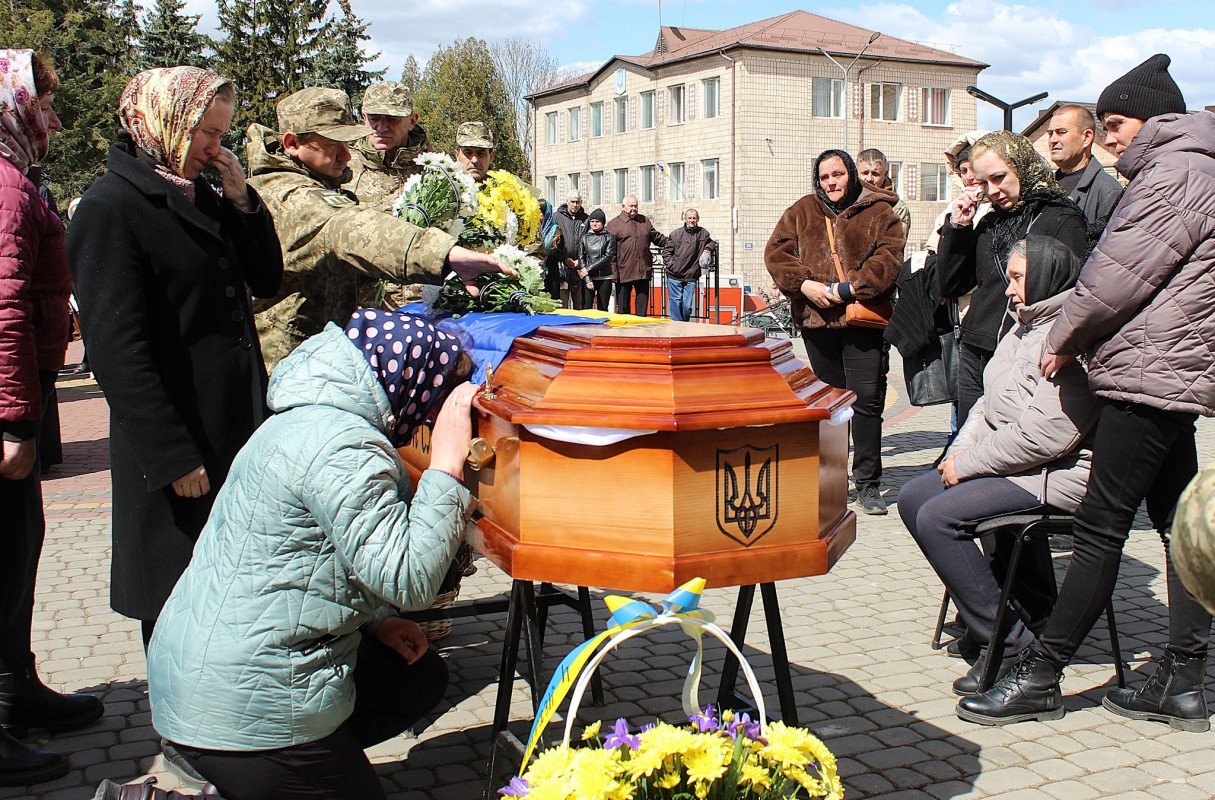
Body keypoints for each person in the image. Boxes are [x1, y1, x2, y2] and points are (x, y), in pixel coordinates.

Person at [959, 54, 1215, 733]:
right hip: (1166, 371)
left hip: (1146, 375)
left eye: (1116, 123)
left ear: (1158, 118)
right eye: (1102, 125)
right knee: (1175, 525)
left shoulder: (1175, 171)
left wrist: (1060, 336)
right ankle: (1184, 678)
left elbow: (1115, 277)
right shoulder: (1190, 167)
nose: (1108, 139)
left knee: (1101, 527)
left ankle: (1041, 675)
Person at [146, 311, 478, 800]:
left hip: (203, 675)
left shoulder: (305, 420)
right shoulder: (345, 447)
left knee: (414, 678)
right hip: (244, 699)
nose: (426, 421)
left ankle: (269, 781)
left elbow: (300, 566)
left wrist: (374, 624)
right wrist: (447, 466)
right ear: (408, 384)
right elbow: (411, 578)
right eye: (432, 403)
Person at [900, 236, 1099, 695]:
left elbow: (1047, 436)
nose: (1007, 289)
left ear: (1047, 276)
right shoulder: (1019, 327)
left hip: (1056, 475)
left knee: (938, 517)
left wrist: (969, 465)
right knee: (913, 497)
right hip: (1010, 463)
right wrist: (957, 452)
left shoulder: (1070, 336)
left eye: (1017, 278)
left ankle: (1010, 644)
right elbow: (986, 405)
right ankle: (994, 615)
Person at [0, 47, 103, 787]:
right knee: (3, 560)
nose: (52, 116)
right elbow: (1, 304)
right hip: (8, 406)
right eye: (37, 102)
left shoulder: (16, 178)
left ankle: (19, 692)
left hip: (26, 391)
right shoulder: (3, 188)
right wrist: (10, 422)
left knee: (19, 553)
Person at [246, 88, 508, 372]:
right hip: (292, 363)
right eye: (335, 145)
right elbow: (349, 228)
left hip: (343, 347)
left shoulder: (434, 172)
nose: (347, 156)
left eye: (349, 144)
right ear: (292, 143)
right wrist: (445, 255)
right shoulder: (290, 196)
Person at [765, 149, 904, 515]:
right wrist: (804, 285)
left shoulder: (879, 211)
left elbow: (889, 258)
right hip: (817, 323)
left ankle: (869, 484)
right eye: (825, 177)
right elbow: (777, 255)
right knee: (831, 403)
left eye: (838, 174)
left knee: (866, 402)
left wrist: (851, 288)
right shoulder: (802, 210)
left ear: (851, 175)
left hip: (862, 320)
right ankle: (832, 479)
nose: (832, 182)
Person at [936, 131, 1088, 429]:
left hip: (1024, 354)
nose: (992, 191)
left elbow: (1070, 295)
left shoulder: (1061, 218)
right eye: (983, 183)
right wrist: (959, 229)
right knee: (969, 436)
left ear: (1021, 165)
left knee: (1006, 442)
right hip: (976, 351)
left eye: (999, 177)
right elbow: (953, 285)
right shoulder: (992, 220)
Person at [344, 81, 429, 209]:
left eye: (392, 119)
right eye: (374, 118)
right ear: (364, 118)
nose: (382, 127)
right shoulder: (343, 164)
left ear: (412, 121)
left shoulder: (431, 171)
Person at [1046, 104, 1123, 226]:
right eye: (1050, 134)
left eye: (1061, 132)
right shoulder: (1044, 187)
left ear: (1086, 137)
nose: (1053, 140)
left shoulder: (1108, 192)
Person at [926, 130, 991, 252]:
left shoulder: (1001, 204)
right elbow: (934, 250)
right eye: (964, 171)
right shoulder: (955, 206)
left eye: (974, 168)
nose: (969, 177)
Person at [607, 195, 667, 315]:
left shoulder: (644, 221)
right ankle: (624, 332)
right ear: (623, 207)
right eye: (631, 206)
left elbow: (657, 238)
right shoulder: (614, 224)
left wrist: (675, 243)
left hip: (643, 270)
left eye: (636, 205)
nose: (634, 208)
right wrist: (613, 272)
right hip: (623, 271)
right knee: (623, 307)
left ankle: (641, 331)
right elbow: (610, 252)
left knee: (642, 307)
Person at [663, 208, 716, 322]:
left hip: (691, 276)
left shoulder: (703, 233)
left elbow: (712, 243)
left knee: (687, 307)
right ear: (685, 219)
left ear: (698, 219)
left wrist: (707, 250)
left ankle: (684, 324)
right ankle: (678, 328)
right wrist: (672, 266)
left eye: (694, 218)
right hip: (674, 275)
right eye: (689, 218)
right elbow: (666, 251)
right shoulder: (676, 234)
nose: (692, 220)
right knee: (676, 302)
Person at [857, 148, 911, 239]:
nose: (869, 179)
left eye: (875, 174)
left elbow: (894, 246)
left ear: (885, 174)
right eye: (865, 173)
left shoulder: (897, 208)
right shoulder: (848, 200)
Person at [554, 191, 590, 309]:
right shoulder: (557, 217)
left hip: (579, 268)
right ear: (567, 202)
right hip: (562, 267)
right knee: (562, 304)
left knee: (579, 304)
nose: (575, 205)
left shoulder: (586, 219)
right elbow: (553, 242)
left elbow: (589, 242)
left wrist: (580, 261)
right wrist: (564, 258)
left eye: (577, 202)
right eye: (572, 202)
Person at [578, 208, 617, 310]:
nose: (594, 224)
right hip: (588, 278)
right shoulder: (584, 237)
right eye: (592, 222)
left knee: (603, 307)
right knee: (586, 307)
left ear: (602, 223)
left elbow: (608, 257)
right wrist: (587, 278)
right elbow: (581, 257)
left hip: (604, 277)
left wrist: (588, 269)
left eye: (597, 222)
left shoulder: (610, 237)